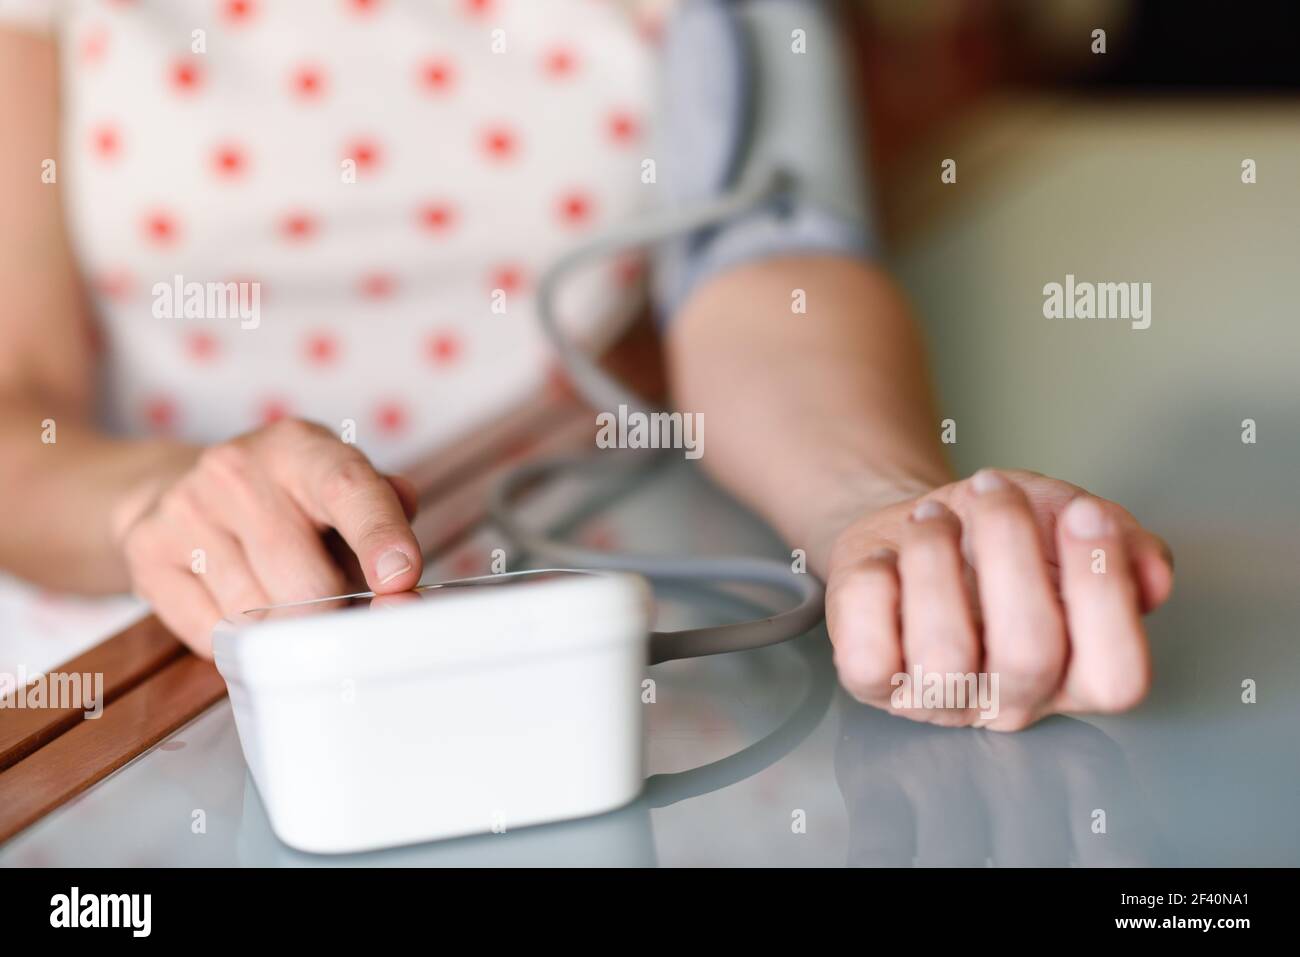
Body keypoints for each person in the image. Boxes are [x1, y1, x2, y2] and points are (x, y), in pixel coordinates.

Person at [0, 0, 1172, 732]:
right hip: (132, 650)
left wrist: (876, 507)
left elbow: (768, 268)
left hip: (573, 610)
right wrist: (158, 503)